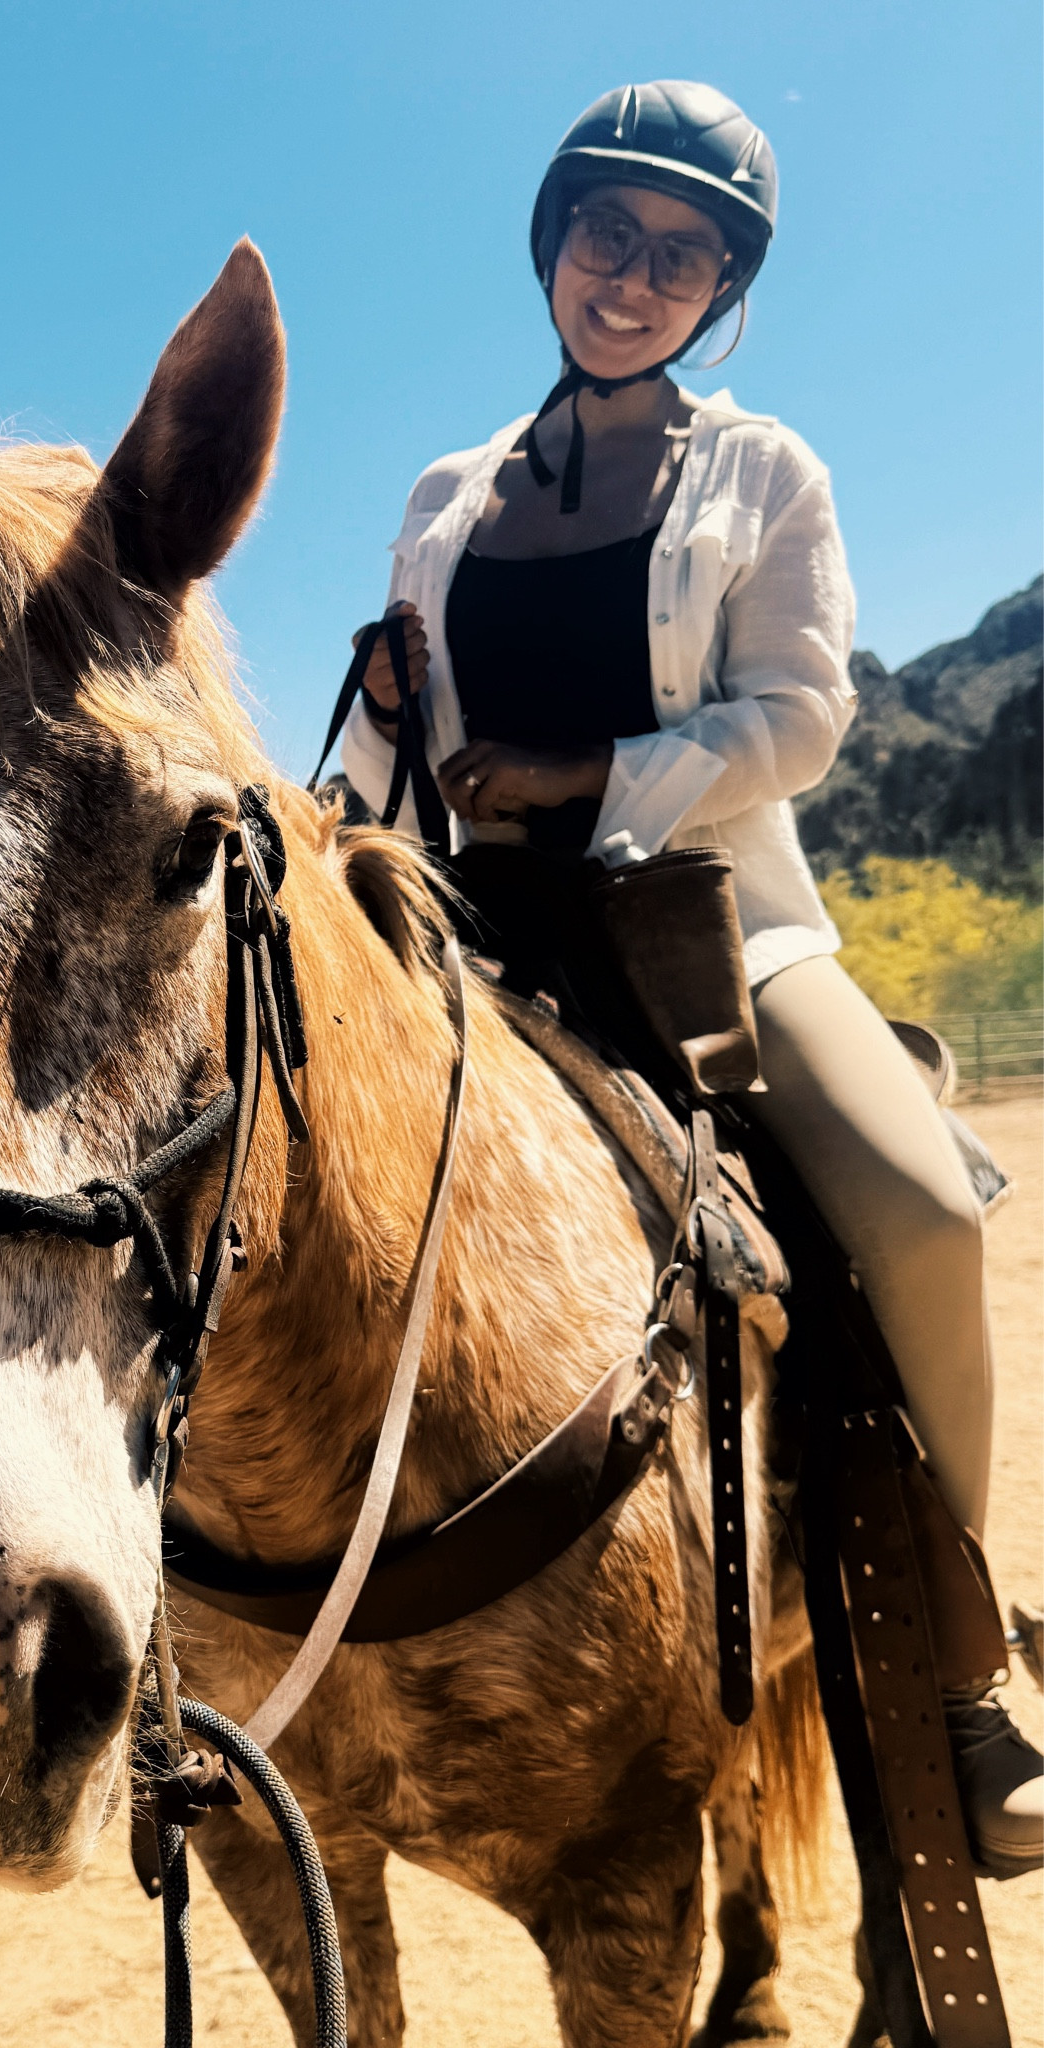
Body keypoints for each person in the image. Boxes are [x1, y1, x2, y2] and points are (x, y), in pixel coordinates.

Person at [339, 78, 1041, 1878]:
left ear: (721, 293)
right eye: (610, 234)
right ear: (553, 240)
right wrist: (391, 727)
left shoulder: (762, 470)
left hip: (708, 927)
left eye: (684, 257)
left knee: (921, 1213)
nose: (635, 278)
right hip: (477, 932)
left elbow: (804, 716)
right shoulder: (442, 497)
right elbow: (392, 765)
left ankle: (962, 1669)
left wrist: (588, 775)